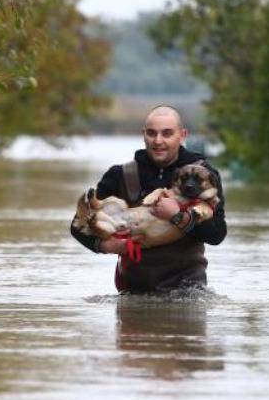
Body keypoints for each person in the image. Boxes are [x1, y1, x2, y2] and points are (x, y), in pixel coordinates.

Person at [70, 106, 226, 293]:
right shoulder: (121, 174)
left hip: (188, 290)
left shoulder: (204, 175)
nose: (158, 141)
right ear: (143, 135)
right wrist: (105, 246)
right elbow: (78, 224)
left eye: (167, 134)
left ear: (182, 135)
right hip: (134, 291)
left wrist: (177, 215)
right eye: (152, 133)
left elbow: (217, 234)